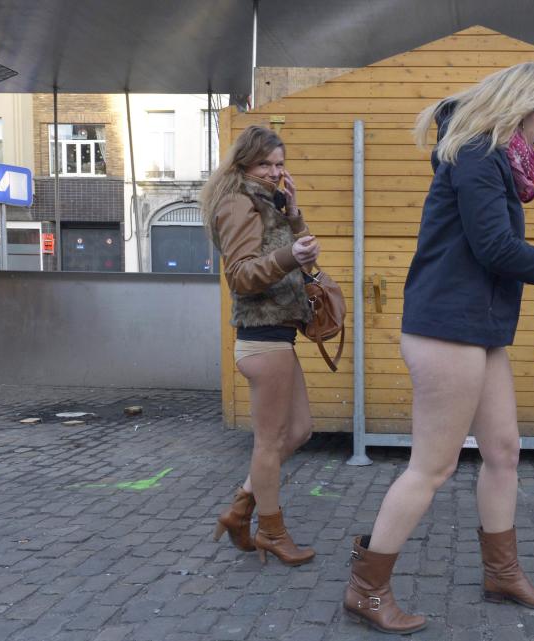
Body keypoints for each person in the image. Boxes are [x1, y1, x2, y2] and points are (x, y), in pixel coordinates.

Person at [341, 62, 534, 635]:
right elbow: (496, 247)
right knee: (432, 465)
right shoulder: (476, 152)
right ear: (524, 106)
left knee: (503, 450)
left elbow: (495, 246)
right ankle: (365, 590)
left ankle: (501, 573)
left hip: (477, 327)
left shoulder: (487, 154)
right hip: (448, 325)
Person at [201, 125, 321, 566]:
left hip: (280, 335)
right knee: (269, 443)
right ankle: (270, 530)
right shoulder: (237, 202)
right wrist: (292, 255)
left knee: (300, 430)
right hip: (261, 335)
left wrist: (294, 218)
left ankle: (239, 510)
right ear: (244, 165)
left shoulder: (270, 202)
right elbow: (241, 276)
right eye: (264, 164)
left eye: (278, 163)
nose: (274, 172)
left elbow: (297, 252)